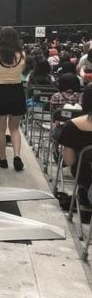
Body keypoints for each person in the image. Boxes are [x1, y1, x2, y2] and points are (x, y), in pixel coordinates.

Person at [0, 27, 26, 171]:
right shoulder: (22, 54)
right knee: (15, 129)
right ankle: (17, 156)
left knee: (0, 130)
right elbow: (21, 71)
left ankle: (3, 159)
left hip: (0, 91)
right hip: (17, 91)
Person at [57, 83, 92, 223]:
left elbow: (69, 160)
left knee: (81, 169)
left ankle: (84, 206)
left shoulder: (72, 126)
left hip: (86, 177)